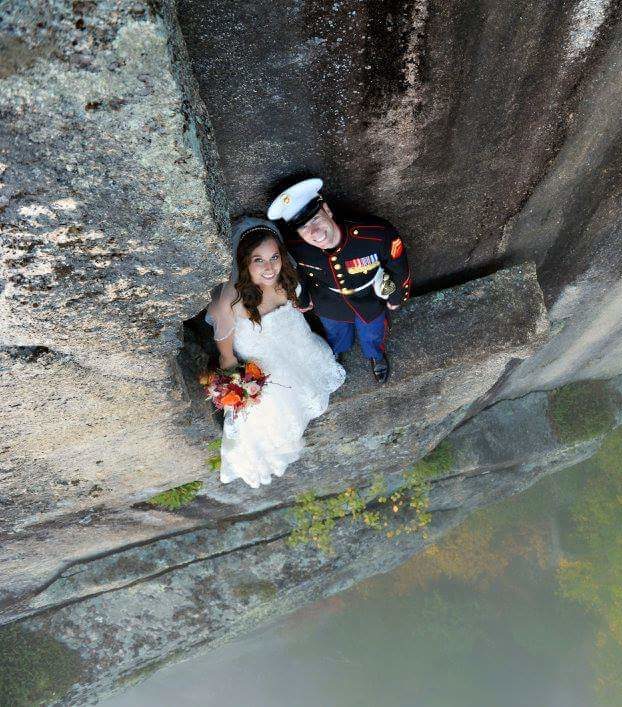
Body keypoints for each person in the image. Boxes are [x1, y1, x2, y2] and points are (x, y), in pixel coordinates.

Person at [206, 216, 345, 489]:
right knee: (273, 418)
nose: (270, 267)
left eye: (274, 257)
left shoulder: (286, 276)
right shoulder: (230, 301)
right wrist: (239, 384)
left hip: (298, 345)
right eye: (259, 260)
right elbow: (227, 356)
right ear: (245, 263)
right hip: (263, 361)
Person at [267, 178, 411, 383]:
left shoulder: (374, 235)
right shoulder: (295, 248)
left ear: (326, 209)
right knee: (336, 335)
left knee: (372, 333)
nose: (314, 232)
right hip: (328, 301)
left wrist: (396, 295)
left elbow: (398, 265)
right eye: (304, 227)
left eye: (316, 219)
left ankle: (375, 355)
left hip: (369, 297)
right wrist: (303, 299)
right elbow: (296, 274)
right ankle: (337, 353)